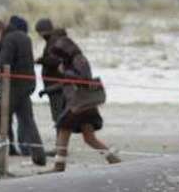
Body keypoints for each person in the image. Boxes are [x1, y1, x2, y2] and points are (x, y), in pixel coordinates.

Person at [35, 17, 120, 170]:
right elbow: (67, 82)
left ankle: (59, 166)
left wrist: (65, 72)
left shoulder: (78, 60)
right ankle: (114, 160)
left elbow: (83, 79)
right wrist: (49, 89)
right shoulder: (70, 61)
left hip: (79, 103)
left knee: (63, 128)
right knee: (89, 138)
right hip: (82, 104)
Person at [0, 15, 46, 166]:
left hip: (11, 88)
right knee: (28, 122)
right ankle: (39, 156)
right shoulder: (24, 38)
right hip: (26, 86)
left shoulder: (8, 40)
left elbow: (5, 63)